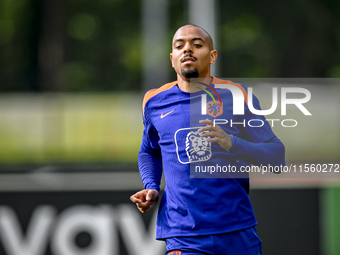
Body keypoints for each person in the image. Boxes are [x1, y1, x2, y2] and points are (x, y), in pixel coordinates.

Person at [130, 24, 285, 255]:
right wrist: (151, 186)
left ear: (212, 56)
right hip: (183, 235)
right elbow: (149, 150)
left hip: (236, 230)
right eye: (180, 46)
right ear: (173, 59)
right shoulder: (154, 101)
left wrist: (232, 142)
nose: (187, 50)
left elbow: (277, 157)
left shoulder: (238, 96)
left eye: (197, 44)